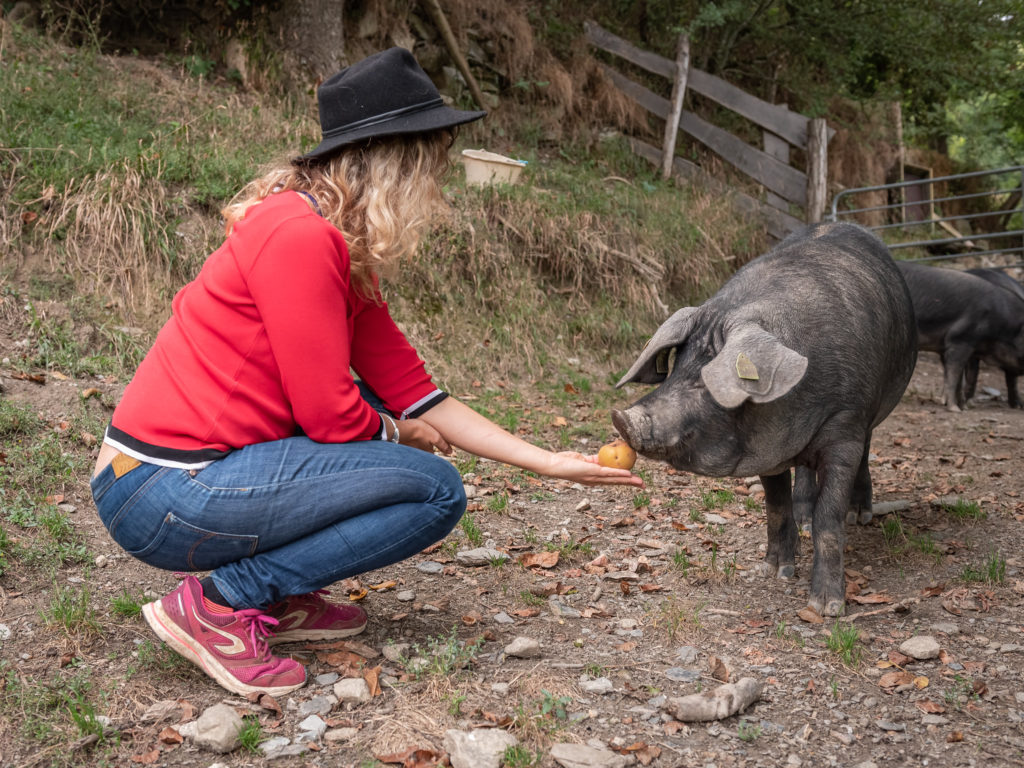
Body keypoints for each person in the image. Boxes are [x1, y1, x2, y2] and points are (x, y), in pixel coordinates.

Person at [90, 46, 643, 698]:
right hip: (164, 490)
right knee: (434, 490)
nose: (436, 183)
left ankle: (277, 596)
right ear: (395, 160)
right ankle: (220, 605)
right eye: (431, 162)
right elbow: (330, 416)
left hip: (189, 480)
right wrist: (400, 435)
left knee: (420, 475)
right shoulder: (299, 237)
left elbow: (417, 392)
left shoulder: (335, 244)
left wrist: (547, 461)